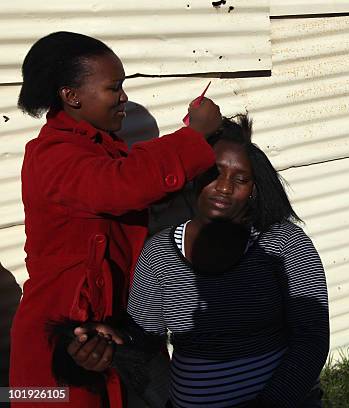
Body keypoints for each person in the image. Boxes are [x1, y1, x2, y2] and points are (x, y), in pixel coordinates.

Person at [10, 31, 222, 407]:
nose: (123, 98)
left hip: (117, 328)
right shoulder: (52, 155)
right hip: (64, 335)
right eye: (114, 88)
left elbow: (127, 184)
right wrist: (194, 137)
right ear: (70, 95)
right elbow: (121, 186)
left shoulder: (100, 147)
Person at [118, 114, 329, 407]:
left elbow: (312, 338)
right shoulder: (158, 255)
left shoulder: (283, 243)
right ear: (196, 175)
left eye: (240, 179)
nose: (225, 187)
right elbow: (144, 342)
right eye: (215, 173)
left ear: (253, 189)